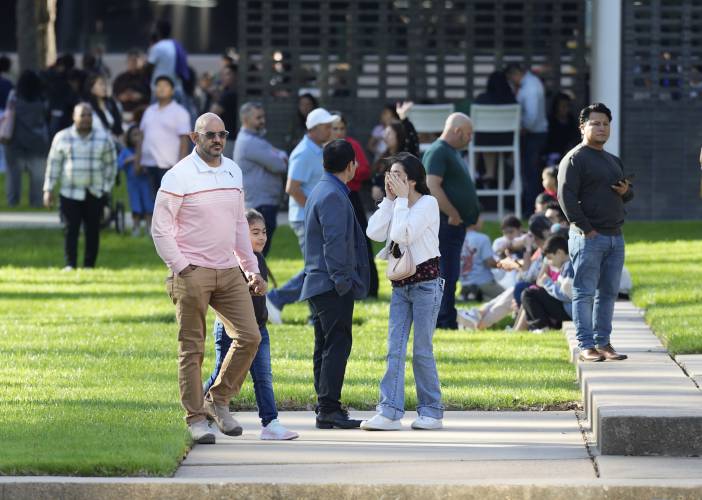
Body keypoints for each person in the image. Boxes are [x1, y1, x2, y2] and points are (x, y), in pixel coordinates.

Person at [151, 112, 266, 444]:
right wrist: (181, 267)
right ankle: (195, 417)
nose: (217, 140)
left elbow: (238, 228)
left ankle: (218, 398)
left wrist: (251, 269)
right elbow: (160, 229)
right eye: (210, 135)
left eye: (222, 134)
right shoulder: (178, 176)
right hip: (191, 272)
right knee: (192, 349)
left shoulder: (233, 170)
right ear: (194, 137)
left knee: (250, 336)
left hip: (228, 270)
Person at [363, 152, 444, 431]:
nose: (391, 180)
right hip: (401, 287)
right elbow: (373, 232)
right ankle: (389, 411)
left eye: (397, 175)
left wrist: (399, 203)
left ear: (412, 180)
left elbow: (403, 235)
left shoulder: (428, 204)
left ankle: (432, 411)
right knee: (394, 349)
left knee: (422, 350)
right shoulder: (395, 204)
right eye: (389, 175)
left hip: (426, 286)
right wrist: (388, 201)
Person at [203, 209, 299, 441]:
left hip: (259, 329)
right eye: (254, 232)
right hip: (231, 331)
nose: (262, 237)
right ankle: (199, 408)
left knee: (263, 376)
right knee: (220, 373)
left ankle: (271, 423)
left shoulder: (259, 260)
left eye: (264, 232)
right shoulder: (231, 263)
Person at [299, 139, 369, 429]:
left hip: (320, 282)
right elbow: (335, 243)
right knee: (337, 344)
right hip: (330, 283)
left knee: (325, 344)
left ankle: (325, 406)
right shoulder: (333, 195)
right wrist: (343, 282)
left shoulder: (322, 189)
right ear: (351, 165)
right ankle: (328, 407)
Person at [558, 102, 633, 362]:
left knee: (609, 293)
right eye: (595, 123)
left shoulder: (613, 160)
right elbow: (565, 198)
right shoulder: (575, 159)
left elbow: (627, 194)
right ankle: (586, 345)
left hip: (615, 236)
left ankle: (604, 343)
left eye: (605, 123)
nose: (601, 128)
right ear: (583, 127)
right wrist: (587, 230)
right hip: (588, 237)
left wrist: (626, 192)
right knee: (584, 292)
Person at [266, 108, 338, 323]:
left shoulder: (315, 149)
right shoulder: (305, 152)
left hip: (310, 217)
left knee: (319, 268)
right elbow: (292, 188)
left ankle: (314, 315)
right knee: (318, 268)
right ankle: (277, 299)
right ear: (314, 129)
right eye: (326, 127)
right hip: (305, 218)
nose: (330, 130)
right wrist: (315, 212)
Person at [43, 103, 116, 270]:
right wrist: (48, 189)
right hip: (69, 192)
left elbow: (111, 166)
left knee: (93, 231)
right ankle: (70, 264)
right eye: (82, 115)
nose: (86, 119)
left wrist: (105, 188)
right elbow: (53, 164)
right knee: (70, 230)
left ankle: (89, 265)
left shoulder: (104, 138)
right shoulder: (62, 137)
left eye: (89, 115)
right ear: (74, 117)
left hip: (95, 192)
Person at [423, 113, 480, 330]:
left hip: (455, 225)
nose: (470, 138)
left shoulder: (452, 153)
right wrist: (453, 213)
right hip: (446, 224)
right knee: (445, 273)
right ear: (456, 131)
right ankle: (443, 319)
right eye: (468, 134)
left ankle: (447, 315)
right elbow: (432, 185)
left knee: (450, 273)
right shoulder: (438, 151)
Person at [331, 111, 378, 298]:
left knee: (361, 241)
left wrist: (346, 172)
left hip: (352, 196)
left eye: (342, 128)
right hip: (335, 197)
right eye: (335, 128)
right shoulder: (324, 147)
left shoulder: (353, 145)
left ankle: (370, 286)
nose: (339, 132)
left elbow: (364, 170)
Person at [234, 102, 287, 255]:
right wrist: (280, 156)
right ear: (245, 119)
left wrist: (280, 155)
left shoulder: (256, 140)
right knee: (257, 256)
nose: (262, 121)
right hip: (260, 205)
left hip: (262, 203)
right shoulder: (250, 142)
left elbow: (281, 155)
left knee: (258, 256)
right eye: (258, 117)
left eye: (263, 117)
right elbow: (280, 165)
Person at [136, 75, 191, 198]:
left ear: (172, 91)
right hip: (149, 164)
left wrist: (181, 168)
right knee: (153, 202)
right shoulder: (149, 110)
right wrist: (137, 161)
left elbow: (184, 142)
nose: (161, 88)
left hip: (169, 166)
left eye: (165, 86)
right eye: (158, 85)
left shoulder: (180, 112)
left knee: (169, 202)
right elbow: (141, 137)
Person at [505, 64, 549, 216]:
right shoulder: (530, 84)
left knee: (530, 173)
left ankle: (530, 209)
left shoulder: (530, 88)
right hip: (534, 133)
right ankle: (530, 206)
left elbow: (531, 116)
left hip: (534, 134)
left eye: (511, 78)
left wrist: (523, 126)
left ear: (515, 73)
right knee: (530, 173)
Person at [4, 70, 50, 207]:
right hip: (37, 142)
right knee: (37, 177)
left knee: (13, 176)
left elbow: (8, 113)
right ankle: (36, 202)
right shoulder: (42, 98)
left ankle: (13, 201)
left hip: (14, 141)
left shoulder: (14, 96)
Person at [519, 235, 573, 332]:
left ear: (560, 253)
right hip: (568, 308)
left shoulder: (569, 267)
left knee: (528, 294)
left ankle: (541, 326)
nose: (549, 262)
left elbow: (566, 295)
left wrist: (547, 283)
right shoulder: (567, 266)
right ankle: (537, 327)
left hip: (570, 310)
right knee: (531, 292)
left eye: (550, 258)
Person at [473, 70, 517, 188]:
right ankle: (517, 175)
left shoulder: (481, 99)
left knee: (486, 137)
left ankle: (487, 173)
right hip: (509, 144)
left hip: (484, 144)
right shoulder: (512, 100)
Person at [118, 126, 153, 237]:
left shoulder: (146, 151)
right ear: (129, 137)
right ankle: (136, 227)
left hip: (146, 182)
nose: (137, 138)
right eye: (134, 135)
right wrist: (129, 160)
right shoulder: (126, 151)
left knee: (148, 205)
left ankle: (150, 228)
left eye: (139, 135)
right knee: (136, 205)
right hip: (133, 184)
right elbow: (118, 165)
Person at [459, 218, 502, 302]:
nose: (482, 221)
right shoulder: (482, 238)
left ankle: (470, 294)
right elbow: (489, 262)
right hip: (483, 282)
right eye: (480, 218)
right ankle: (479, 296)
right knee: (508, 297)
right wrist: (503, 263)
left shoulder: (457, 238)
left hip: (464, 283)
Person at [146, 20, 189, 100]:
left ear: (158, 31)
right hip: (176, 88)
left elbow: (148, 68)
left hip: (160, 91)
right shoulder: (176, 45)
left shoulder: (157, 47)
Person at [112, 49, 151, 125]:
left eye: (135, 60)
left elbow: (151, 96)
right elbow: (114, 96)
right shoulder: (120, 78)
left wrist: (140, 97)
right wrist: (121, 97)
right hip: (123, 114)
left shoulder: (147, 78)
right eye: (130, 61)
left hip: (142, 115)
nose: (133, 63)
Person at [210, 63, 238, 157]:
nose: (223, 77)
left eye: (227, 74)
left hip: (229, 140)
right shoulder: (230, 92)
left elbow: (211, 114)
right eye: (222, 74)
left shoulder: (228, 94)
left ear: (236, 75)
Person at [85, 73, 123, 140]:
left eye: (105, 84)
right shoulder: (88, 108)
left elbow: (118, 125)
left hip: (115, 140)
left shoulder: (111, 104)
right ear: (92, 89)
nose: (104, 87)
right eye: (101, 84)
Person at [545, 92, 580, 164]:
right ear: (556, 107)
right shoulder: (550, 122)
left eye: (567, 106)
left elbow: (576, 138)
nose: (565, 109)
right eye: (562, 106)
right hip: (552, 156)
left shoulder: (572, 121)